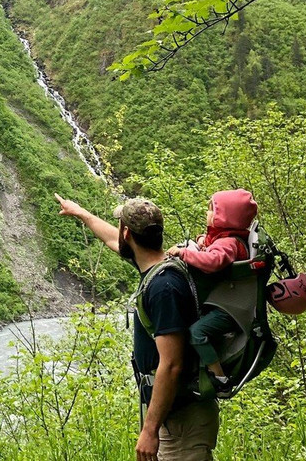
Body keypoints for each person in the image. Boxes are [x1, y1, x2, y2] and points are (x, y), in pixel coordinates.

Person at [56, 193, 219, 461]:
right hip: (176, 415)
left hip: (183, 419)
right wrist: (81, 213)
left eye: (121, 226)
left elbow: (172, 364)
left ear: (128, 233)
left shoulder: (163, 287)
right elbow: (112, 238)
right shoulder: (159, 267)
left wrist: (149, 430)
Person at [166, 188, 258, 391]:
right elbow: (214, 247)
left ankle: (219, 377)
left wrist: (184, 253)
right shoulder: (229, 238)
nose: (207, 214)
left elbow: (214, 261)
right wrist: (202, 242)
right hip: (229, 303)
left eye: (211, 210)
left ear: (225, 217)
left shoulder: (229, 243)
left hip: (229, 309)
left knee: (197, 332)